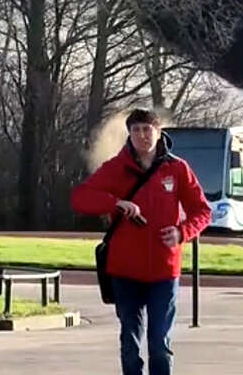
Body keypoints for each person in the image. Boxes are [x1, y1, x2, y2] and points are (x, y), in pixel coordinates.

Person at [71, 109, 212, 375]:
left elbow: (202, 212)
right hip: (125, 270)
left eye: (147, 129)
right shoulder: (116, 168)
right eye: (135, 130)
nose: (142, 135)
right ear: (130, 135)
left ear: (159, 133)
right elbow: (80, 197)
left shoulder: (177, 168)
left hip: (163, 269)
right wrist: (115, 203)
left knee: (159, 344)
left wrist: (183, 232)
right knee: (130, 343)